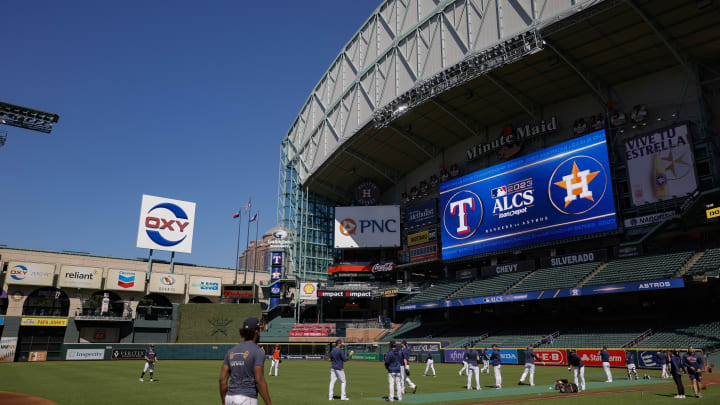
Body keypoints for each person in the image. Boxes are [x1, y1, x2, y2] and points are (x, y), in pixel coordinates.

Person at [219, 317, 272, 405]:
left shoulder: (231, 351)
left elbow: (222, 380)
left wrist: (224, 401)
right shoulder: (258, 351)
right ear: (256, 331)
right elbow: (259, 380)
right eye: (259, 330)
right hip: (247, 399)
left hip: (229, 398)